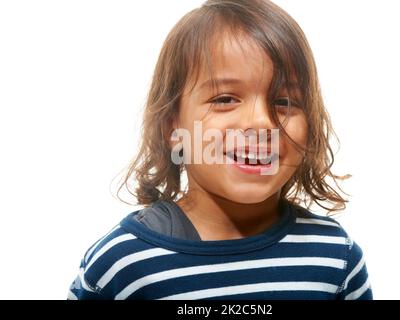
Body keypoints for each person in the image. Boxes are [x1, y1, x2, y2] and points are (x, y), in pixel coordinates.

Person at [68, 0, 372, 300]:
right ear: (172, 129)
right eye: (225, 99)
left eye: (284, 102)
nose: (261, 121)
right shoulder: (121, 265)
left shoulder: (336, 258)